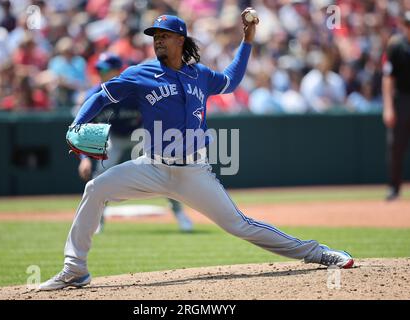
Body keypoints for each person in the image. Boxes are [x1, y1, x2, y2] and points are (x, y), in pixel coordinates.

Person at [39, 9, 354, 291]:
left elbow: (231, 80)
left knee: (239, 225)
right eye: (155, 37)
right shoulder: (140, 74)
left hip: (194, 171)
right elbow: (100, 97)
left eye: (164, 36)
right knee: (95, 188)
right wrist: (78, 124)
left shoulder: (199, 74)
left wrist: (248, 40)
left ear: (180, 39)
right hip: (152, 166)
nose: (158, 41)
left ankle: (317, 253)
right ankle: (75, 269)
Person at [77, 52, 194, 233]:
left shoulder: (133, 92)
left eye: (105, 69)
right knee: (100, 175)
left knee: (164, 170)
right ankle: (97, 220)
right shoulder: (95, 94)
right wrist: (84, 158)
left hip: (141, 134)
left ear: (117, 71)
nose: (100, 73)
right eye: (98, 69)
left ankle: (179, 213)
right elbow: (84, 128)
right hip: (114, 136)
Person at [382, 11, 410, 201]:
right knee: (396, 146)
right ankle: (394, 188)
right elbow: (388, 78)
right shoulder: (396, 45)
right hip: (402, 99)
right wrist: (389, 106)